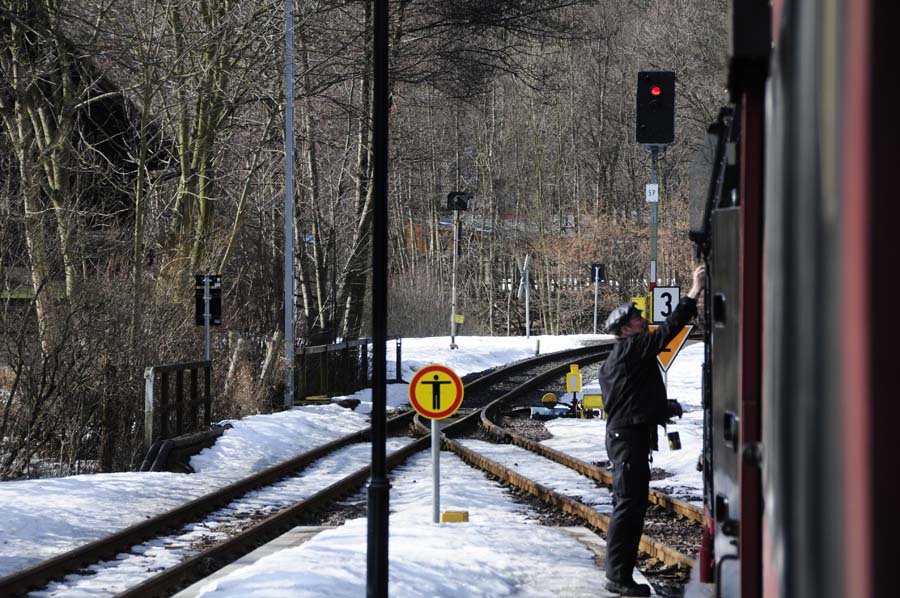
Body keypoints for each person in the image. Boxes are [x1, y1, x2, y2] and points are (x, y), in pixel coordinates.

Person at [597, 264, 706, 597]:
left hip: (628, 437)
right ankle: (617, 577)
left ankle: (620, 575)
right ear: (626, 329)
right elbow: (667, 332)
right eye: (638, 319)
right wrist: (694, 292)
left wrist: (664, 407)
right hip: (627, 441)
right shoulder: (632, 349)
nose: (645, 321)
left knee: (630, 506)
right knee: (627, 507)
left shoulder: (624, 356)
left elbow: (631, 397)